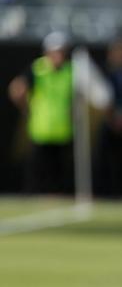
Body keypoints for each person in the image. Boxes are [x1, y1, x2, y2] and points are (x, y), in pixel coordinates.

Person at [8, 31, 74, 194]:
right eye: (55, 51)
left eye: (61, 51)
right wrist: (26, 108)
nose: (58, 55)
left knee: (59, 175)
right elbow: (16, 89)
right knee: (38, 173)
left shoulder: (70, 70)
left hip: (63, 130)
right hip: (41, 129)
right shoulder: (37, 69)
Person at [95, 38, 122, 197]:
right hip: (109, 120)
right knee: (105, 158)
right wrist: (112, 118)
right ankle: (104, 192)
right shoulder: (105, 72)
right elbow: (103, 99)